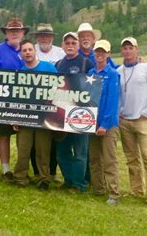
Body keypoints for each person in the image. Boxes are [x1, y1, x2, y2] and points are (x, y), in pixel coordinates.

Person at [117, 37, 147, 206]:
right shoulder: (119, 71)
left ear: (137, 49)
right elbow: (117, 95)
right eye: (125, 48)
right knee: (131, 158)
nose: (127, 51)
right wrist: (119, 111)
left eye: (130, 47)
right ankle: (136, 190)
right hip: (125, 121)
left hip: (142, 120)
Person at [12, 40, 57, 190]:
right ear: (21, 54)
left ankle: (44, 178)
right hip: (25, 116)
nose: (28, 52)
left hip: (45, 116)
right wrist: (15, 117)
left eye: (30, 49)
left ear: (34, 51)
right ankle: (20, 177)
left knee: (43, 150)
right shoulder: (20, 72)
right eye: (24, 50)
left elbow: (60, 87)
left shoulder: (48, 67)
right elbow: (16, 97)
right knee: (23, 149)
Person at [0, 17, 28, 181]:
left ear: (22, 33)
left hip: (25, 101)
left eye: (17, 31)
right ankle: (6, 170)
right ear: (6, 33)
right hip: (3, 99)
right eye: (11, 31)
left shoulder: (27, 50)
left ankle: (22, 168)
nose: (14, 34)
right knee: (4, 135)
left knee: (23, 136)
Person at [55, 32, 94, 192]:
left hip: (81, 114)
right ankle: (69, 180)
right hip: (61, 114)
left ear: (78, 46)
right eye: (67, 43)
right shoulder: (58, 64)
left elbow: (96, 87)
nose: (70, 45)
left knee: (80, 151)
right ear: (63, 46)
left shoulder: (87, 63)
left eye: (73, 43)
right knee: (62, 151)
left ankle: (80, 184)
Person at [87, 39, 121, 205]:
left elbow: (113, 101)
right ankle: (98, 188)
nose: (99, 54)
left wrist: (104, 125)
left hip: (107, 125)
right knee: (94, 159)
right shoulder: (90, 73)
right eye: (97, 51)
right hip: (92, 123)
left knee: (109, 159)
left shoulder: (113, 73)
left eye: (103, 51)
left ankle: (114, 192)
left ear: (108, 54)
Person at [31, 23, 65, 182]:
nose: (44, 38)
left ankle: (52, 172)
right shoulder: (31, 50)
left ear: (52, 37)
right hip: (32, 102)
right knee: (33, 141)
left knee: (52, 139)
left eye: (47, 36)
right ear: (37, 38)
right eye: (41, 36)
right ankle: (37, 172)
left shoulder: (60, 52)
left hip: (53, 102)